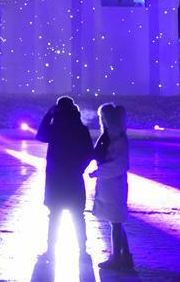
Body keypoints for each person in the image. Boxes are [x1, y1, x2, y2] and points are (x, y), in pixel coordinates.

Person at [35, 96, 93, 260]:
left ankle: (51, 250)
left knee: (54, 216)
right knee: (77, 216)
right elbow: (90, 153)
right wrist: (79, 169)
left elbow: (40, 135)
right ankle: (82, 249)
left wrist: (49, 114)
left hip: (56, 179)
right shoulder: (82, 129)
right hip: (74, 178)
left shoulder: (55, 129)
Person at [89, 103, 133, 271]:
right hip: (109, 185)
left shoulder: (118, 139)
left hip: (114, 185)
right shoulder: (110, 137)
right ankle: (125, 255)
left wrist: (98, 172)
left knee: (115, 221)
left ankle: (117, 257)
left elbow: (119, 165)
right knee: (115, 221)